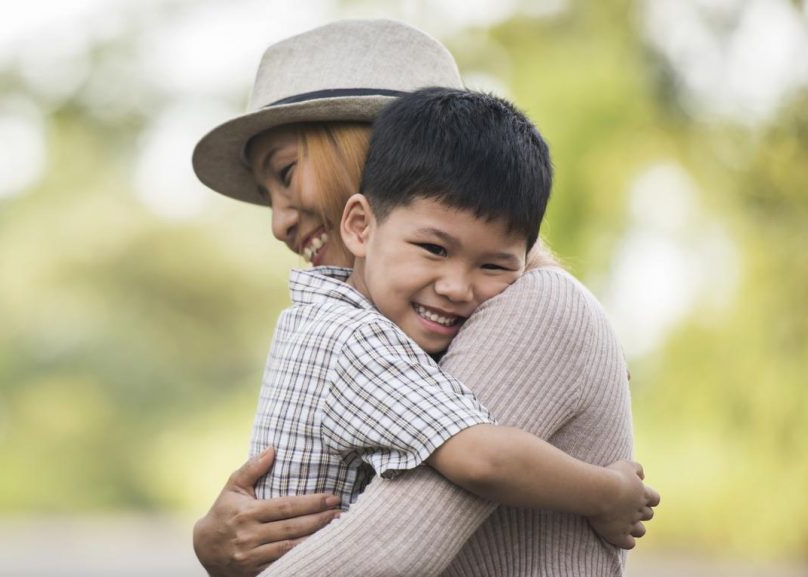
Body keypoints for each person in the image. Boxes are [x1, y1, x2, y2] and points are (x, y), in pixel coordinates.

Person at [191, 19, 657, 577]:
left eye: (287, 173)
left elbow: (396, 541)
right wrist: (217, 545)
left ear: (379, 153)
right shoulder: (376, 324)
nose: (278, 221)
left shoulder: (529, 308)